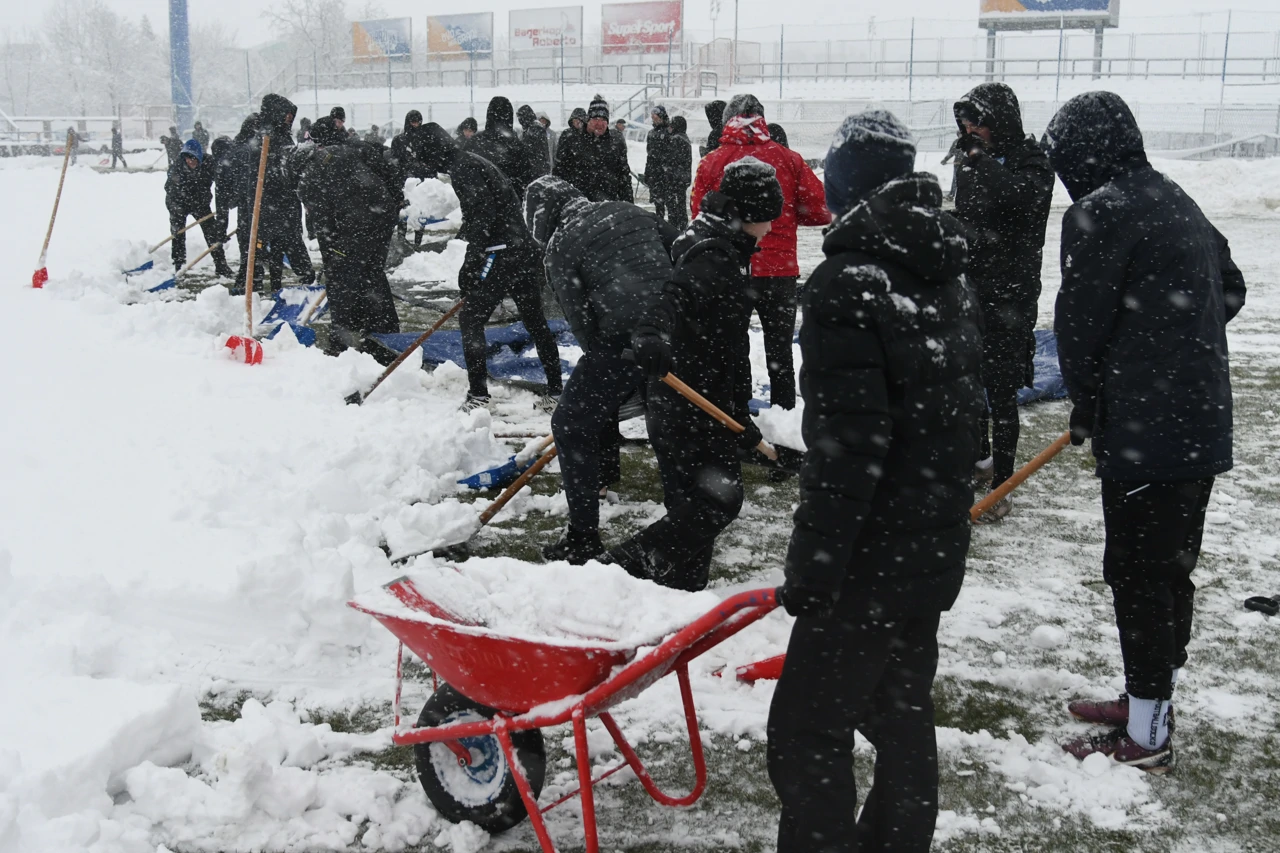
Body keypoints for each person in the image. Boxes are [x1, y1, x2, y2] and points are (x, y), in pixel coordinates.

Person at [766, 110, 983, 853]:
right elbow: (967, 421)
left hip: (872, 556)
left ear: (849, 183)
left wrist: (815, 566)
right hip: (930, 548)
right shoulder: (942, 269)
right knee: (899, 713)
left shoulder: (847, 284)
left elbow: (847, 450)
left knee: (805, 728)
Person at [1044, 92, 1247, 773]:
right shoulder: (1171, 195)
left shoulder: (1099, 212)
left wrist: (1095, 395)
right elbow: (1231, 287)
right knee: (1167, 570)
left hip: (1148, 430)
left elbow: (1081, 325)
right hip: (1197, 424)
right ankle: (1145, 699)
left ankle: (1149, 731)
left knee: (1138, 576)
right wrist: (1175, 343)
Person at [603, 157, 783, 592]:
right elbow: (672, 297)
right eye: (769, 218)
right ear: (750, 214)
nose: (773, 228)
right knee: (718, 500)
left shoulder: (709, 235)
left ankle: (679, 597)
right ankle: (622, 567)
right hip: (690, 399)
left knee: (690, 506)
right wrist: (651, 332)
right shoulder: (712, 256)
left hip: (694, 396)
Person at [524, 175, 678, 563]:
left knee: (570, 424)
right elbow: (681, 249)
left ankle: (582, 539)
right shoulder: (627, 209)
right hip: (675, 323)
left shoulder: (559, 247)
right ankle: (686, 509)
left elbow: (582, 325)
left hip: (625, 334)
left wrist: (608, 377)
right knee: (670, 419)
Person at [951, 82, 1054, 520]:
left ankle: (1002, 483)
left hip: (1012, 291)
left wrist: (980, 159)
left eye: (977, 121)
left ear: (999, 120)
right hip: (973, 286)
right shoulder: (972, 160)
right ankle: (978, 459)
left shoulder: (1033, 161)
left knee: (1002, 386)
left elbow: (1018, 201)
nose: (970, 129)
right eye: (965, 122)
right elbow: (969, 213)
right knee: (968, 379)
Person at [692, 94, 831, 410]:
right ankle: (784, 413)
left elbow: (699, 216)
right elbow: (821, 210)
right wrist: (787, 214)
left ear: (729, 121)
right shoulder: (788, 158)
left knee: (734, 345)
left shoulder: (713, 160)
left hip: (733, 271)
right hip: (780, 270)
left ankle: (739, 414)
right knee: (780, 350)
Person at [417, 123, 562, 409]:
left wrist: (472, 263)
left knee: (471, 318)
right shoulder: (471, 162)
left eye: (425, 157)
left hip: (502, 252)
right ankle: (556, 390)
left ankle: (478, 395)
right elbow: (482, 213)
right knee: (534, 321)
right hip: (521, 248)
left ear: (435, 153)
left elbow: (483, 214)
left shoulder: (463, 168)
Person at [297, 116, 402, 354]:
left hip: (359, 223)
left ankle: (342, 341)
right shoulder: (359, 149)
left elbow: (318, 202)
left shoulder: (325, 160)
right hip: (379, 218)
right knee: (371, 273)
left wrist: (332, 244)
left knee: (343, 280)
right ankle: (383, 331)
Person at [254, 93, 315, 291]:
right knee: (278, 246)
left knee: (286, 243)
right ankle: (282, 283)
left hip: (285, 202)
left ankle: (294, 281)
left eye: (291, 114)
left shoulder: (281, 135)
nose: (290, 118)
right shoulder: (266, 137)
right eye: (286, 114)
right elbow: (270, 171)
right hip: (272, 203)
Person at [164, 138, 234, 277]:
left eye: (194, 158)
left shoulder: (209, 164)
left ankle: (221, 265)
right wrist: (176, 209)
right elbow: (169, 191)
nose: (191, 161)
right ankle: (179, 265)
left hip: (200, 204)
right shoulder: (176, 169)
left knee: (212, 233)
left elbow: (222, 179)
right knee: (177, 234)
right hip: (179, 204)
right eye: (188, 158)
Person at [553, 96, 633, 203]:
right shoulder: (571, 139)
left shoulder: (616, 141)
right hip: (578, 205)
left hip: (608, 206)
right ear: (588, 119)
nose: (600, 124)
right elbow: (559, 172)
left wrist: (629, 206)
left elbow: (624, 177)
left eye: (604, 119)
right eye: (596, 119)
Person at [465, 96, 535, 198]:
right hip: (508, 203)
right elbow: (526, 179)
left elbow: (462, 173)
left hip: (478, 203)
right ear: (509, 116)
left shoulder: (474, 142)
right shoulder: (515, 145)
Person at [643, 106, 681, 227]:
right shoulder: (651, 133)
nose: (654, 120)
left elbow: (674, 154)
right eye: (652, 118)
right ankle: (660, 226)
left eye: (656, 117)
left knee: (671, 204)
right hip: (655, 173)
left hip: (667, 173)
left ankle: (672, 227)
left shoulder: (670, 132)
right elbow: (649, 155)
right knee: (658, 203)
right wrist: (647, 173)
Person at [518, 104, 552, 178]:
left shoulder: (534, 128)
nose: (519, 120)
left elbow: (535, 150)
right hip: (537, 167)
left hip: (536, 168)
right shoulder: (529, 128)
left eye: (520, 117)